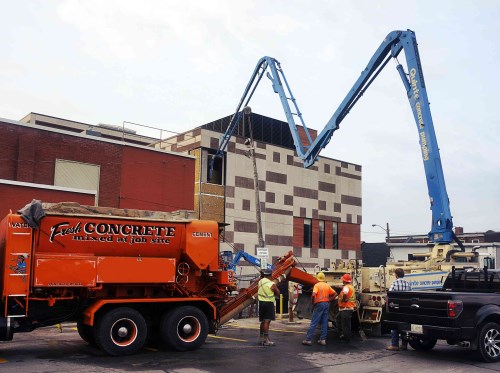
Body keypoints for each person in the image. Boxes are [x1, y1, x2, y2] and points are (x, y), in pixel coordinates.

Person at [302, 272, 337, 346]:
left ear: (317, 278)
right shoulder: (327, 286)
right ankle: (323, 340)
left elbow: (313, 294)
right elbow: (335, 294)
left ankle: (308, 339)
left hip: (319, 304)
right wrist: (329, 299)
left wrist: (313, 302)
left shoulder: (317, 285)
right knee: (324, 322)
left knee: (314, 321)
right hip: (326, 304)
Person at [386, 268, 412, 351]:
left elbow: (390, 294)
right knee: (405, 326)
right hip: (406, 308)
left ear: (396, 275)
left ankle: (395, 345)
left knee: (395, 326)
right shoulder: (407, 284)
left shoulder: (394, 283)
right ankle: (404, 345)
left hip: (396, 307)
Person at [258, 268, 280, 346]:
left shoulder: (260, 281)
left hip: (261, 303)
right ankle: (266, 340)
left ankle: (262, 338)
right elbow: (277, 292)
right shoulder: (271, 284)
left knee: (263, 321)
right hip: (268, 304)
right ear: (270, 275)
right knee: (267, 321)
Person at [336, 273, 356, 343]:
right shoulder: (351, 287)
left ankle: (346, 338)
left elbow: (345, 293)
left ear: (344, 280)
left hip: (346, 307)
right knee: (338, 319)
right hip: (345, 308)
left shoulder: (346, 287)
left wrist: (344, 299)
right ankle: (343, 334)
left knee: (346, 324)